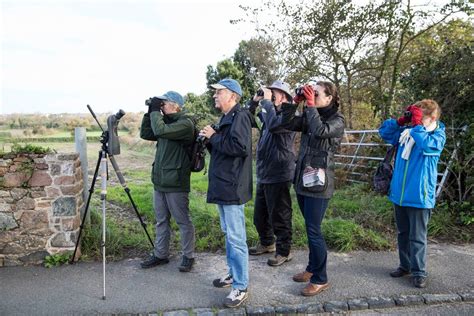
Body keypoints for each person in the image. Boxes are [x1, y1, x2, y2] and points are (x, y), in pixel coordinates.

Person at [281, 81, 345, 296]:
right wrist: (294, 102)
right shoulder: (311, 113)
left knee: (314, 230)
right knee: (310, 227)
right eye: (311, 93)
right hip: (303, 180)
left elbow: (319, 131)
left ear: (329, 98)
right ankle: (311, 268)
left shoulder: (337, 120)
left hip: (319, 184)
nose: (313, 96)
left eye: (316, 94)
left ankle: (321, 278)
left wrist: (309, 106)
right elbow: (287, 123)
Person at [379, 99, 446, 288]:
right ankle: (405, 265)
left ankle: (419, 272)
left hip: (419, 196)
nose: (415, 118)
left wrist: (416, 125)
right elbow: (384, 132)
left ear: (432, 117)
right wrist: (401, 121)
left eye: (420, 115)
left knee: (417, 237)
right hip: (400, 193)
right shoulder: (406, 133)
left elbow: (427, 146)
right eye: (414, 114)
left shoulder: (437, 135)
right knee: (403, 233)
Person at [199, 78, 252, 308]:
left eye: (218, 92)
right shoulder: (226, 117)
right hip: (223, 184)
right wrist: (209, 140)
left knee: (236, 238)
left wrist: (214, 136)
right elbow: (224, 148)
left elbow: (240, 148)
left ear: (232, 95)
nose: (214, 96)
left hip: (232, 187)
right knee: (229, 234)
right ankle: (233, 274)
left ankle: (240, 286)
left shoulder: (240, 116)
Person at [139, 91, 196, 272]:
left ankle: (188, 256)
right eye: (160, 104)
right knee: (161, 221)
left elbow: (160, 130)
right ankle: (160, 254)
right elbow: (147, 132)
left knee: (182, 221)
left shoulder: (185, 124)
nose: (161, 106)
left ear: (175, 105)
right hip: (160, 181)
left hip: (176, 182)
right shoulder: (166, 123)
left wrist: (156, 111)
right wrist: (150, 111)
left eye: (163, 103)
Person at [246, 80, 297, 266]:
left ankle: (284, 251)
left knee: (280, 214)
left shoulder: (289, 115)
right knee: (260, 215)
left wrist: (267, 102)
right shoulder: (270, 113)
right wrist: (254, 101)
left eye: (274, 93)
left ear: (283, 96)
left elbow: (275, 125)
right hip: (265, 172)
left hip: (280, 171)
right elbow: (249, 119)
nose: (271, 96)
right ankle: (267, 243)